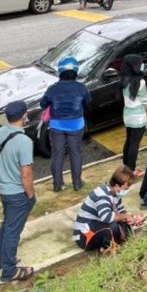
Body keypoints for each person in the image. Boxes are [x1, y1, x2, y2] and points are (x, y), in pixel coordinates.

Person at [0, 101, 35, 282]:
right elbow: (26, 174)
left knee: (7, 225)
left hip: (3, 189)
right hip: (17, 193)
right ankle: (9, 270)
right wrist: (30, 195)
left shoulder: (0, 132)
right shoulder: (24, 141)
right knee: (12, 231)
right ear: (24, 116)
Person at [40, 56, 91, 192]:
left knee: (57, 154)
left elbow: (43, 104)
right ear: (76, 71)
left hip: (56, 126)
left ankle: (57, 185)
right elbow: (88, 103)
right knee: (76, 153)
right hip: (76, 126)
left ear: (60, 72)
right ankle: (77, 183)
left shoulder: (52, 89)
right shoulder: (81, 88)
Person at [73, 166, 144, 252]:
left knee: (123, 225)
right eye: (126, 188)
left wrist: (133, 219)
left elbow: (121, 212)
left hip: (97, 226)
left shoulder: (115, 194)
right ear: (117, 186)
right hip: (83, 236)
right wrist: (126, 216)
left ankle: (114, 246)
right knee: (112, 228)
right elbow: (106, 217)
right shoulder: (102, 195)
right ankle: (109, 249)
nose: (127, 191)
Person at [119, 55, 147, 177]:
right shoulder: (140, 82)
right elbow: (145, 99)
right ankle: (131, 170)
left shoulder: (123, 79)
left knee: (129, 141)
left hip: (127, 115)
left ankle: (126, 166)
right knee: (134, 144)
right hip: (138, 116)